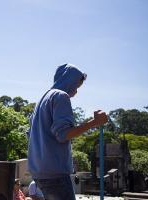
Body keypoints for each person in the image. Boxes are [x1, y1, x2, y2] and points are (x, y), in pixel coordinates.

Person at [27, 64, 108, 200]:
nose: (76, 91)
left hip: (39, 172)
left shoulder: (42, 100)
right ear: (69, 81)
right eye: (76, 86)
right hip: (55, 174)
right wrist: (94, 122)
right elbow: (63, 134)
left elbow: (29, 134)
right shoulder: (60, 96)